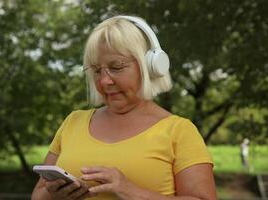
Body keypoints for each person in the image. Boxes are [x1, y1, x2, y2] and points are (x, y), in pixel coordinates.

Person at [31, 15, 216, 200]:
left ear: (150, 66)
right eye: (96, 70)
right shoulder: (73, 122)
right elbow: (37, 195)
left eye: (116, 67)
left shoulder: (179, 131)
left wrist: (130, 191)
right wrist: (53, 194)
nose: (104, 81)